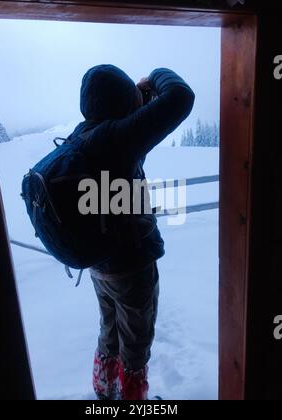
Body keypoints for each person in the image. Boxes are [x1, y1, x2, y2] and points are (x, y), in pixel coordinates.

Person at [74, 64, 195, 400]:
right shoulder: (120, 139)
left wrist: (133, 98)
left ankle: (104, 389)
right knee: (137, 343)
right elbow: (181, 98)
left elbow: (120, 117)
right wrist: (156, 74)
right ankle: (133, 401)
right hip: (131, 263)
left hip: (99, 262)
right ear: (122, 103)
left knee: (109, 328)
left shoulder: (83, 135)